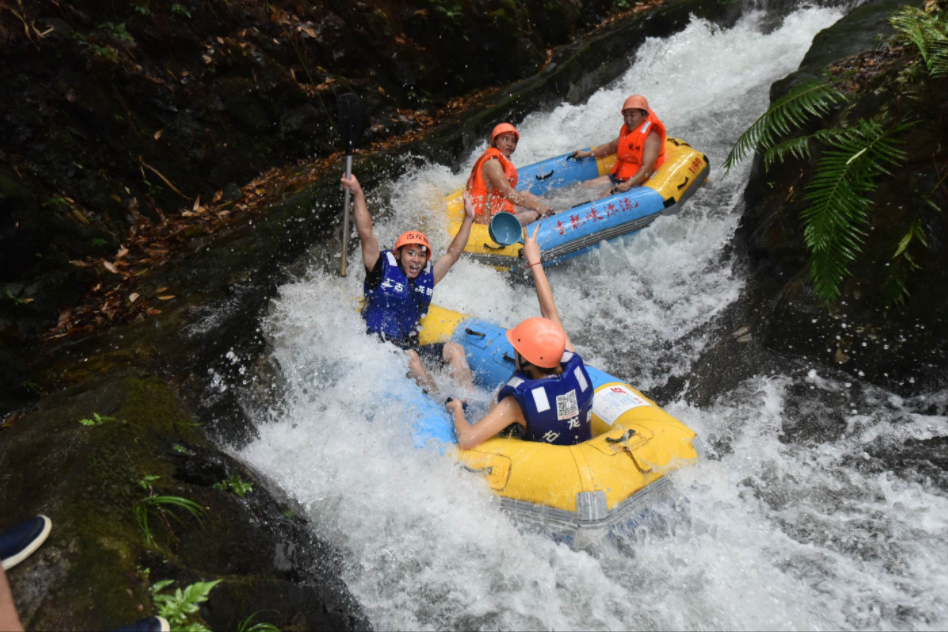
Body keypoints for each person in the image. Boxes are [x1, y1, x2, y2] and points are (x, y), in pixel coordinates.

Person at [446, 225, 594, 449]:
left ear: (527, 360)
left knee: (497, 396)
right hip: (580, 448)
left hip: (542, 462)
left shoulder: (515, 403)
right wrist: (534, 260)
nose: (514, 351)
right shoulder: (572, 365)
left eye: (517, 349)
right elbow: (550, 313)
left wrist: (457, 410)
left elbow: (467, 440)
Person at [342, 173, 476, 394]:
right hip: (380, 350)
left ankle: (467, 399)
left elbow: (452, 255)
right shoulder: (379, 268)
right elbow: (366, 232)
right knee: (412, 357)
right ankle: (441, 402)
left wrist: (468, 218)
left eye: (421, 255)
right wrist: (357, 192)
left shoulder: (427, 278)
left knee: (455, 350)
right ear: (398, 254)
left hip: (409, 346)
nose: (416, 259)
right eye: (410, 253)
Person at [570, 95, 667, 198]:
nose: (628, 119)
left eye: (632, 115)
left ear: (644, 116)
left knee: (603, 196)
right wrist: (586, 154)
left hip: (637, 182)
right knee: (585, 185)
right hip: (619, 177)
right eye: (626, 115)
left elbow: (647, 168)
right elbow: (610, 147)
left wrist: (628, 183)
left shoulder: (652, 139)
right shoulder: (628, 133)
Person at [466, 123, 554, 226]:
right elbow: (509, 194)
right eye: (505, 139)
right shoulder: (492, 164)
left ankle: (558, 206)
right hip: (486, 222)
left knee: (525, 194)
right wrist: (539, 207)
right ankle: (557, 213)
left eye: (513, 141)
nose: (510, 144)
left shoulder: (494, 158)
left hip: (494, 208)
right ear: (494, 141)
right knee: (534, 215)